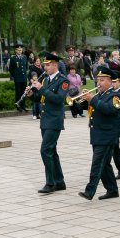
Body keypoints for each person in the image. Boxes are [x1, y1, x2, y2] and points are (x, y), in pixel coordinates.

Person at [27, 53, 69, 194]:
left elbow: (58, 99)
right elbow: (40, 99)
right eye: (44, 64)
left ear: (55, 65)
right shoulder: (45, 80)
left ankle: (50, 183)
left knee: (45, 150)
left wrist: (41, 89)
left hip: (55, 120)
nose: (45, 67)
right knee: (52, 151)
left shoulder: (63, 80)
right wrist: (31, 94)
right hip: (45, 120)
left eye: (48, 64)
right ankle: (59, 181)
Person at [78, 66, 120, 201]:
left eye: (101, 80)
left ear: (109, 81)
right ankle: (112, 190)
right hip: (97, 134)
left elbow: (108, 109)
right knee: (105, 164)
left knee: (97, 163)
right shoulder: (99, 95)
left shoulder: (114, 96)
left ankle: (89, 191)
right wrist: (82, 100)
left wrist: (92, 99)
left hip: (107, 135)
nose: (98, 83)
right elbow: (90, 107)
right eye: (98, 80)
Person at [8, 44, 29, 112]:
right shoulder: (13, 58)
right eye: (18, 50)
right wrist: (15, 76)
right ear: (15, 51)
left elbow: (26, 67)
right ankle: (18, 105)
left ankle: (23, 106)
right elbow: (11, 69)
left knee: (24, 92)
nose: (20, 51)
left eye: (21, 50)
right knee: (18, 92)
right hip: (18, 79)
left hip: (24, 78)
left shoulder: (24, 57)